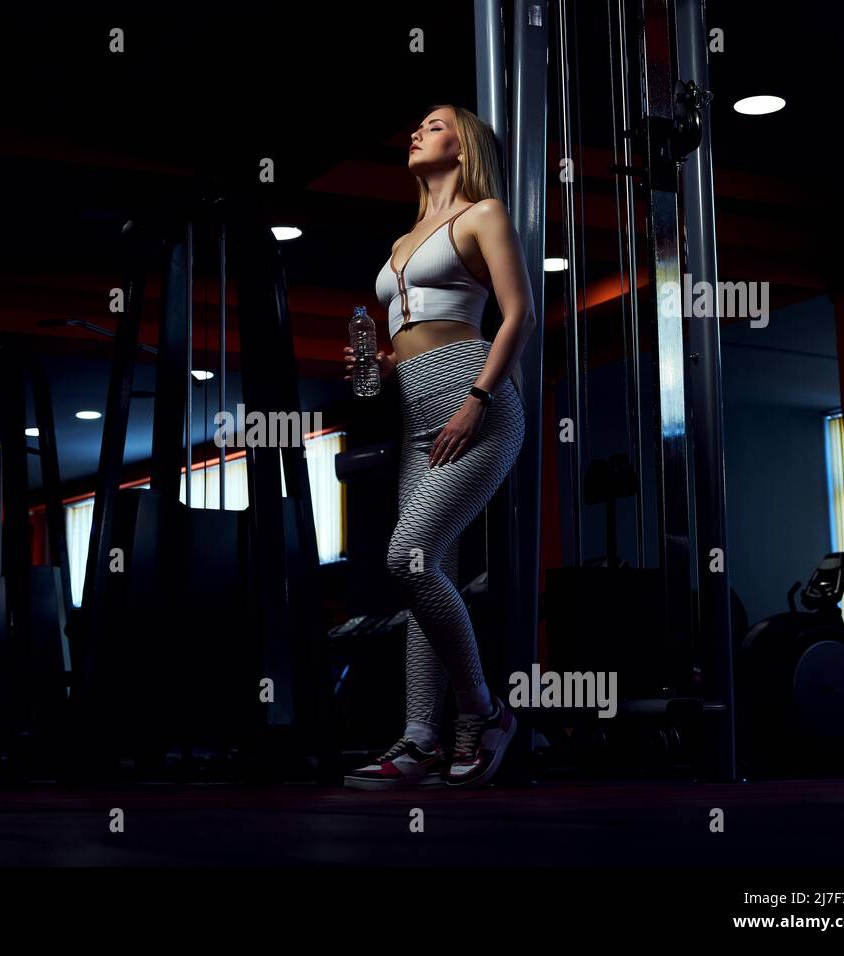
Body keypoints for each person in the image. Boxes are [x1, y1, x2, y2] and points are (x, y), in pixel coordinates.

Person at [342, 104, 536, 789]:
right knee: (429, 577)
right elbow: (396, 351)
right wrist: (378, 367)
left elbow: (518, 314)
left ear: (463, 146)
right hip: (414, 415)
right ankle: (422, 737)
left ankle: (483, 714)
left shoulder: (482, 214)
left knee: (407, 559)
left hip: (475, 405)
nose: (416, 132)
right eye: (417, 126)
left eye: (433, 125)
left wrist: (476, 400)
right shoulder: (400, 244)